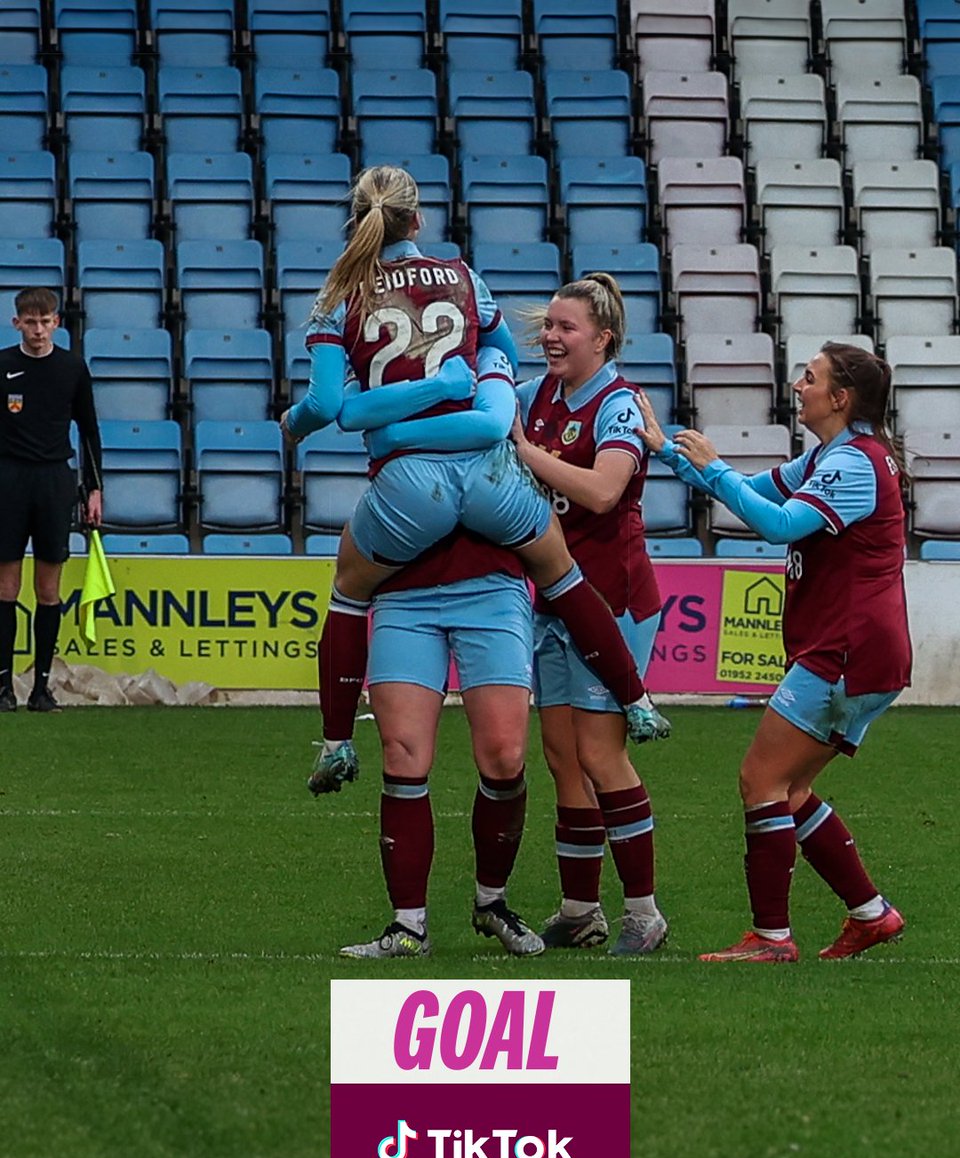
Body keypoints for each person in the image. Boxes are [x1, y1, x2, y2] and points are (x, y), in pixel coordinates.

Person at [279, 165, 668, 795]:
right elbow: (497, 389)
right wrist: (449, 387)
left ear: (356, 221)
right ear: (418, 220)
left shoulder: (337, 294)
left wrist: (300, 424)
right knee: (562, 576)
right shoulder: (463, 278)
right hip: (489, 477)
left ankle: (337, 742)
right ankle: (638, 699)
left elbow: (329, 409)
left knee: (350, 592)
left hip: (408, 485)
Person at [637, 341, 910, 962]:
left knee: (760, 779)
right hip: (858, 650)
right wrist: (672, 453)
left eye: (809, 378)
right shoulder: (834, 457)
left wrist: (715, 468)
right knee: (788, 793)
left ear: (839, 398)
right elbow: (752, 492)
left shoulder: (854, 464)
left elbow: (779, 525)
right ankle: (871, 914)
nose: (797, 385)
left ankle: (770, 937)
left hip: (846, 651)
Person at [510, 274, 669, 957]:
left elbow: (605, 493)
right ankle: (580, 910)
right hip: (550, 599)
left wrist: (525, 453)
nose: (550, 335)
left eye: (565, 327)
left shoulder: (622, 403)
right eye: (548, 324)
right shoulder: (532, 396)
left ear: (602, 339)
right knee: (560, 757)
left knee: (602, 755)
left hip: (612, 600)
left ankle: (644, 914)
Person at [338, 517, 544, 960]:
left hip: (493, 585)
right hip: (402, 587)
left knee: (505, 757)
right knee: (402, 753)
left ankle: (492, 902)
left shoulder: (501, 446)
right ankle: (408, 924)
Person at [0, 287, 102, 714]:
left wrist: (94, 489)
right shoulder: (3, 365)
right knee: (6, 587)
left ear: (57, 323)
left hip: (55, 482)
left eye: (45, 322)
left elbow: (89, 430)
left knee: (48, 588)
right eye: (30, 321)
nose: (38, 330)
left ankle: (42, 687)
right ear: (16, 323)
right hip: (8, 480)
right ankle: (3, 687)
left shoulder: (72, 368)